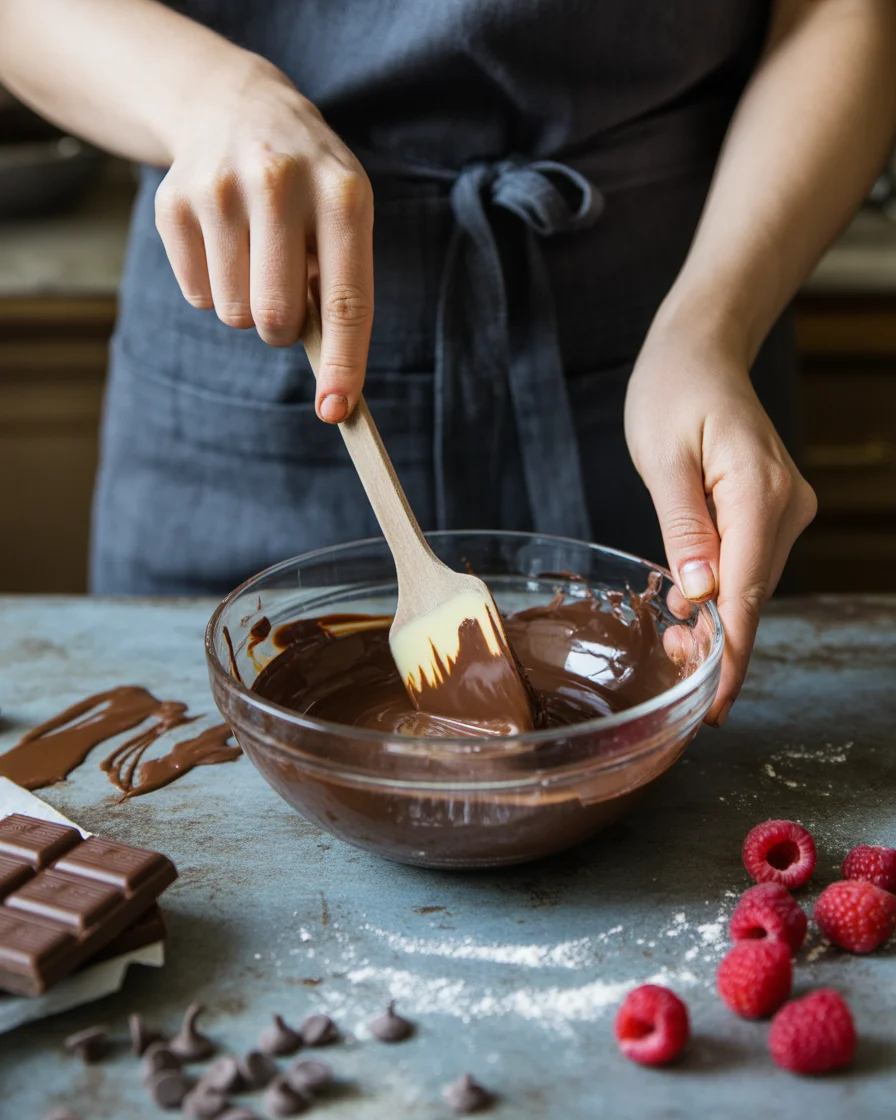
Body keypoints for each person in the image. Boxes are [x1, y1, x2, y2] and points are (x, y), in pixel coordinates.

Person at [1, 0, 894, 726]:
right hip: (247, 309)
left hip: (674, 315)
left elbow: (839, 14)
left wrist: (710, 328)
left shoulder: (699, 329)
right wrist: (212, 95)